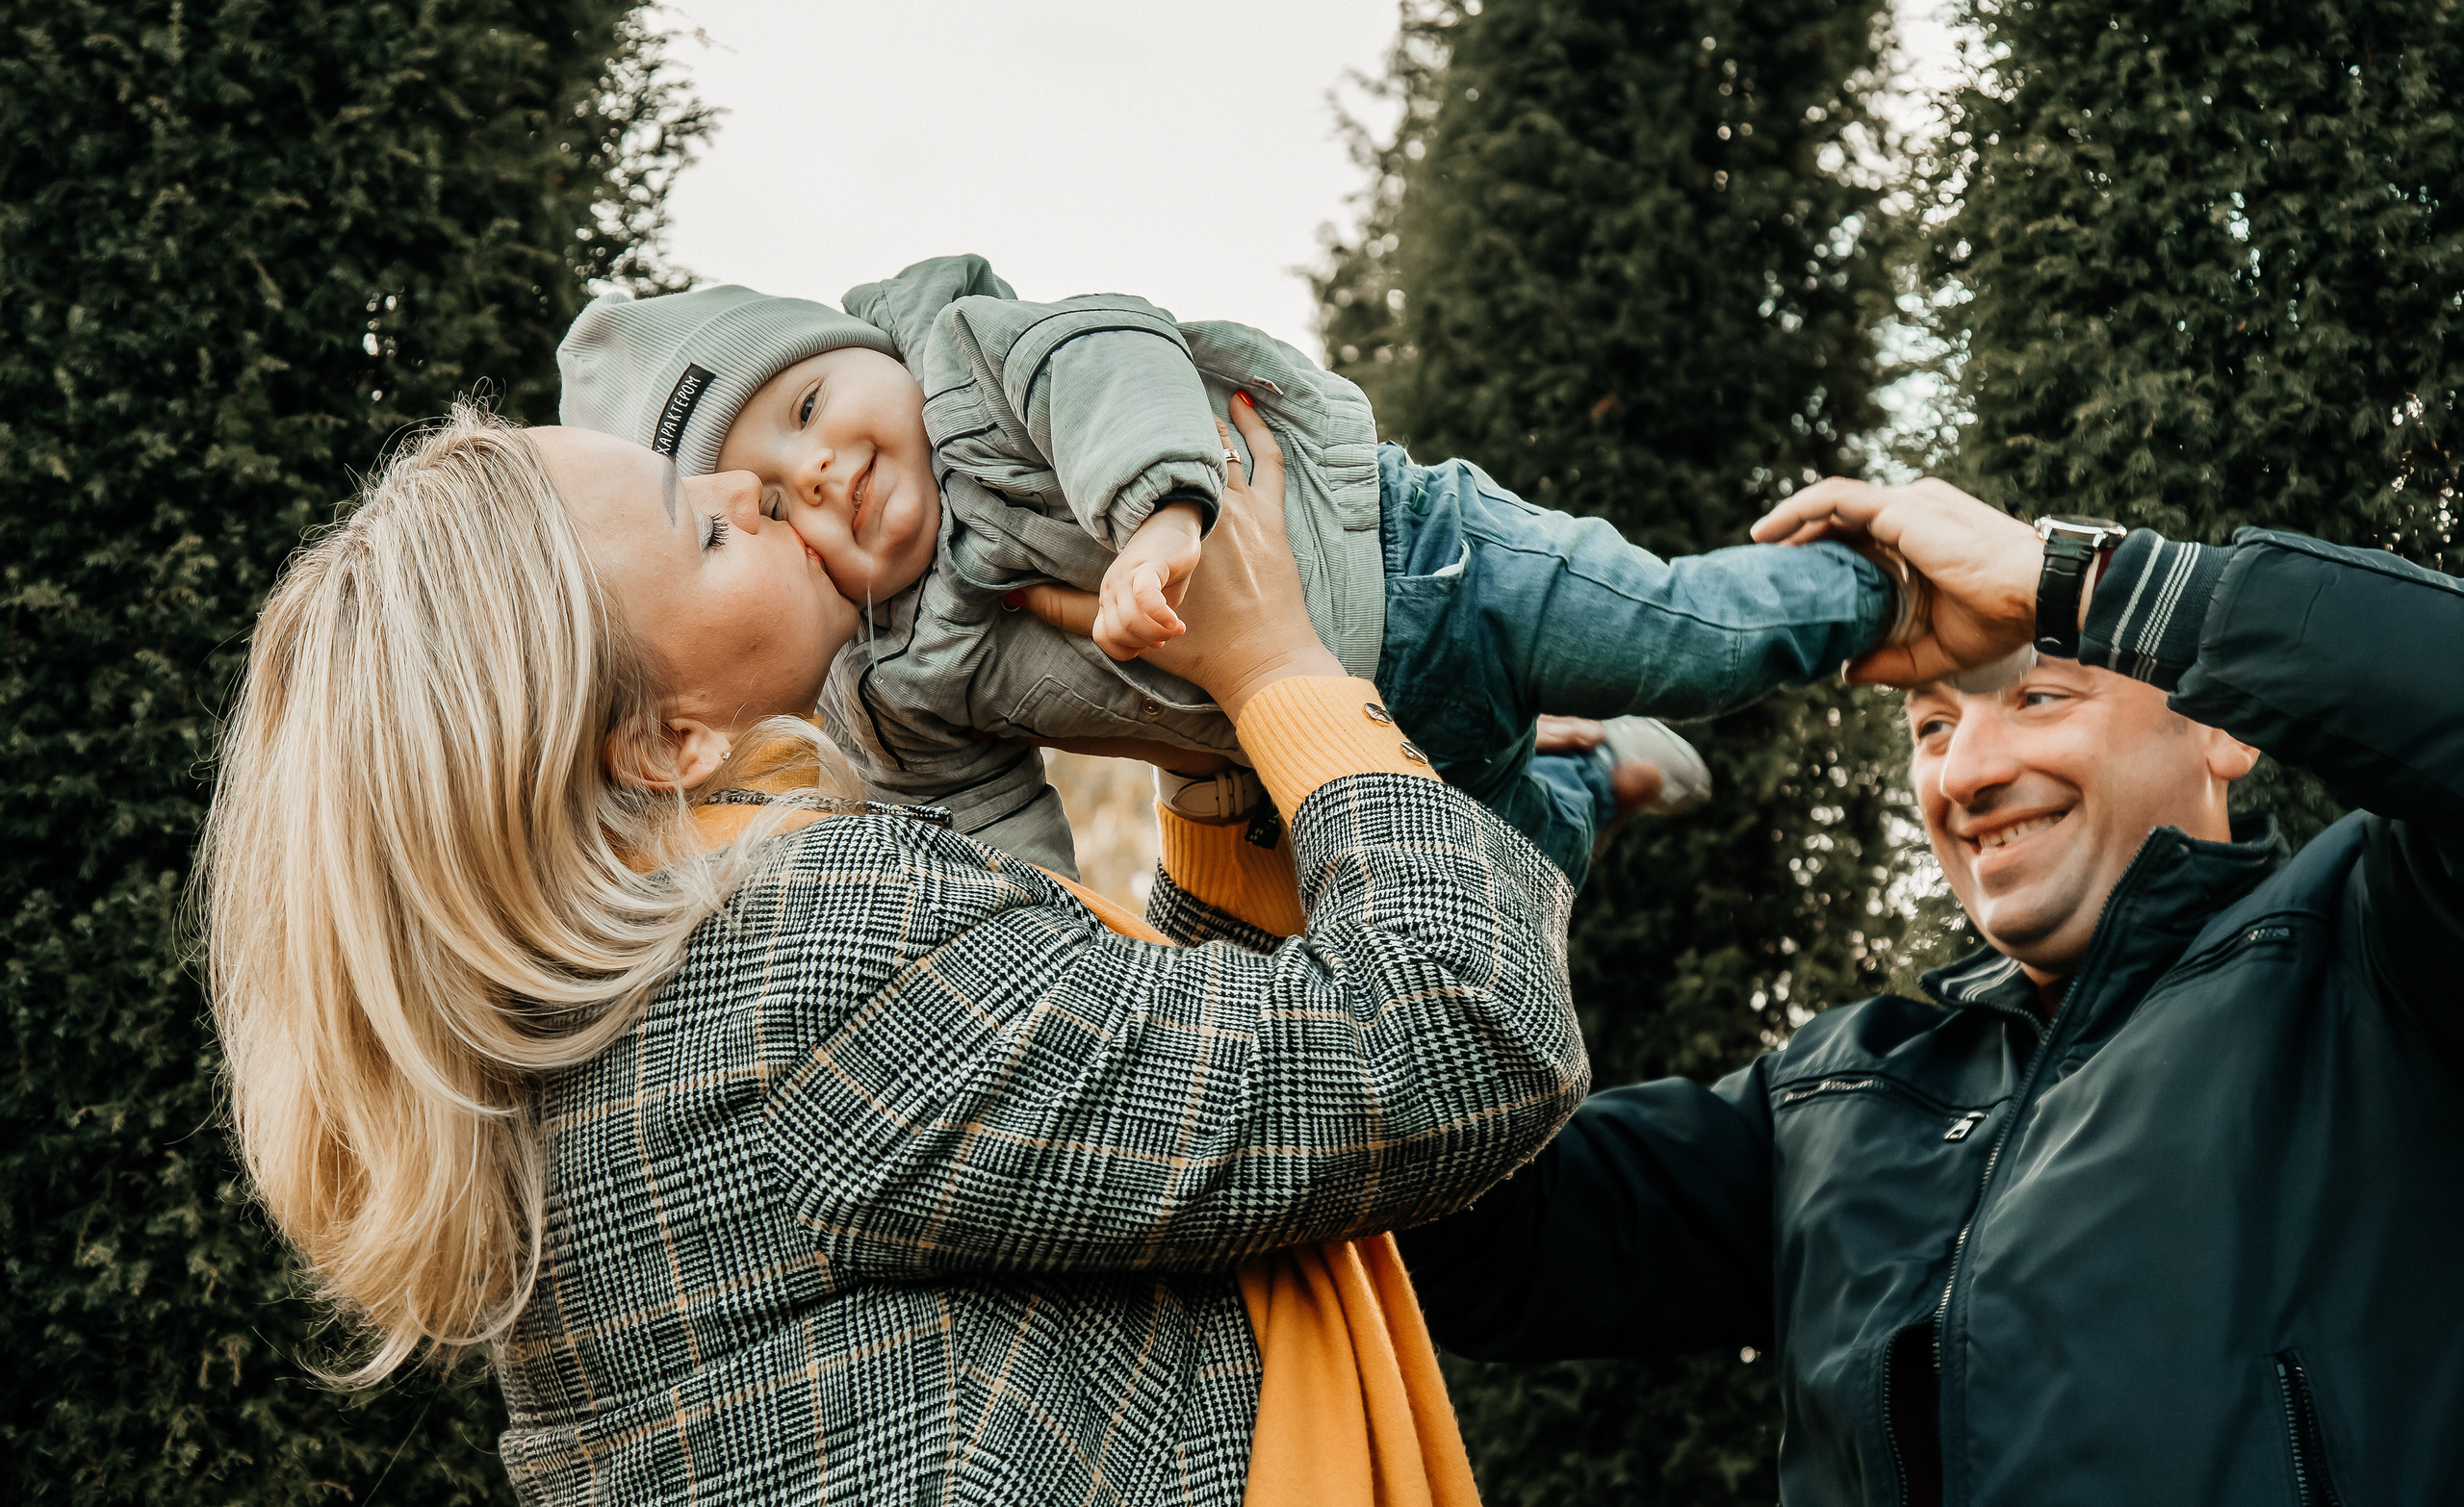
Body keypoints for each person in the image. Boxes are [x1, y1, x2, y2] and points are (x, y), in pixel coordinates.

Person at [201, 397, 1591, 1504]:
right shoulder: (792, 966)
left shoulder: (615, 1029)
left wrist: (1213, 769)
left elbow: (1150, 1140)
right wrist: (1289, 671)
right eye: (701, 531)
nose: (745, 486)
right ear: (664, 739)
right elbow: (1456, 1038)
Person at [1397, 474, 2464, 1505]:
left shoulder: (2374, 952)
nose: (1963, 776)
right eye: (1930, 729)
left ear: (2225, 730)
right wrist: (1469, 830)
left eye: (2040, 697)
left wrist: (2076, 581)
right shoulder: (1833, 1094)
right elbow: (1469, 1225)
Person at [552, 255, 1910, 885]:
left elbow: (1115, 358)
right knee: (1505, 871)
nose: (828, 475)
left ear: (861, 346)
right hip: (1304, 752)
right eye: (779, 503)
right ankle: (1589, 773)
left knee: (1684, 636)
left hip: (1435, 566)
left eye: (805, 414)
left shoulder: (974, 369)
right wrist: (1046, 931)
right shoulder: (889, 676)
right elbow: (982, 820)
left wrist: (1158, 515)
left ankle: (1887, 590)